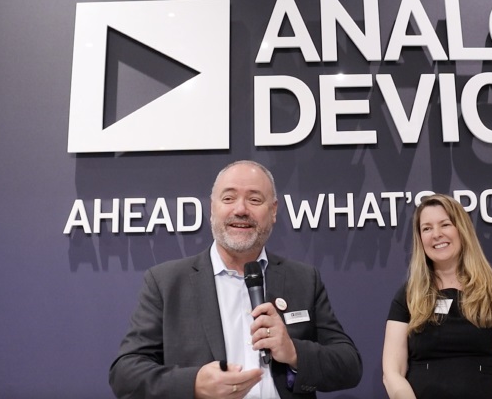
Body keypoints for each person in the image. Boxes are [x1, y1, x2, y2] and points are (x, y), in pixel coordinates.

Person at [110, 160, 362, 399]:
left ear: (273, 211)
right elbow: (125, 374)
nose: (241, 210)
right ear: (213, 209)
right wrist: (194, 384)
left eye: (254, 199)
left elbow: (349, 365)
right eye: (229, 198)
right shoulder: (166, 282)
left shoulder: (304, 279)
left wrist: (293, 351)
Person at [382, 194, 492, 399]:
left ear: (462, 230)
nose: (436, 234)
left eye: (445, 224)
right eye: (427, 228)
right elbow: (392, 373)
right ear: (420, 238)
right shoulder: (408, 296)